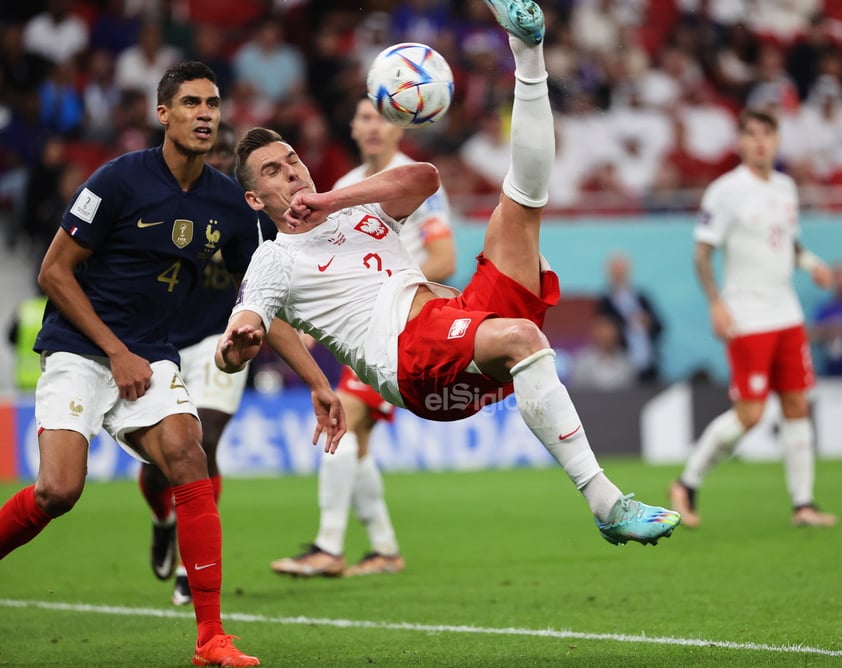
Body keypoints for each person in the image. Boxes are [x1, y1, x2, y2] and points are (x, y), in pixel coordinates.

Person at [218, 0, 681, 552]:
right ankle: (606, 503)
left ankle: (527, 51)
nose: (291, 169)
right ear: (254, 198)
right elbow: (247, 321)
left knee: (517, 210)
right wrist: (237, 342)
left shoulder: (348, 206)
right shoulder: (275, 257)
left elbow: (423, 178)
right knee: (524, 337)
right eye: (273, 170)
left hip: (455, 315)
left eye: (291, 157)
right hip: (411, 358)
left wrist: (331, 198)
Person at [0, 61, 343, 668]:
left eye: (212, 103)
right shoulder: (117, 181)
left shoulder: (228, 205)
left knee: (192, 458)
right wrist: (114, 350)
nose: (204, 113)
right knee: (59, 491)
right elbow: (53, 272)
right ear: (164, 115)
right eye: (190, 103)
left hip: (151, 354)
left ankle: (211, 639)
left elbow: (263, 300)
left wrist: (317, 382)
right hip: (82, 349)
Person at [270, 97, 456, 578]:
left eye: (382, 118)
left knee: (346, 422)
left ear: (401, 125)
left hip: (406, 323)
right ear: (352, 128)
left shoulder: (411, 176)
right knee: (360, 441)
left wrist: (395, 291)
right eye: (364, 118)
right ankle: (384, 548)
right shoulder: (344, 187)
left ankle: (329, 546)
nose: (373, 127)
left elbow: (445, 257)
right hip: (364, 329)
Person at [669, 107, 837, 530]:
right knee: (751, 415)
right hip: (747, 314)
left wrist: (811, 263)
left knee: (797, 405)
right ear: (741, 142)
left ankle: (803, 504)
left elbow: (788, 241)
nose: (760, 141)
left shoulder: (785, 187)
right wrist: (716, 303)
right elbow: (702, 252)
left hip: (787, 314)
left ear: (777, 140)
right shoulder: (725, 191)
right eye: (752, 134)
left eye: (767, 133)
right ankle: (686, 484)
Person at [138, 122, 272, 606]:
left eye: (223, 154)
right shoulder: (161, 204)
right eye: (210, 151)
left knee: (203, 442)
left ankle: (192, 568)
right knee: (159, 468)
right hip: (161, 345)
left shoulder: (243, 211)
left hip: (220, 340)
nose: (214, 160)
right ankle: (163, 523)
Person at [596, 252, 664, 383]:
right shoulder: (605, 302)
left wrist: (647, 322)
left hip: (649, 364)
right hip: (621, 365)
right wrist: (626, 324)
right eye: (615, 271)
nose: (619, 275)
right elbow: (603, 330)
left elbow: (660, 326)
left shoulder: (642, 298)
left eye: (621, 270)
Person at [809, 262, 842, 377]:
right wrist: (831, 330)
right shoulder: (826, 308)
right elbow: (810, 335)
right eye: (837, 277)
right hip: (833, 369)